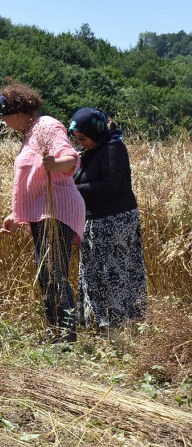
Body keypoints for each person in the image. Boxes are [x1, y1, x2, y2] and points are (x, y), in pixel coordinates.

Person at [0, 80, 86, 344]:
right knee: (46, 272)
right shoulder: (30, 134)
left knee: (52, 270)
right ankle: (56, 332)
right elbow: (31, 180)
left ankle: (67, 336)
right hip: (43, 210)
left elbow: (71, 157)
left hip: (58, 208)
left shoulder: (47, 125)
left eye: (5, 118)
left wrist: (56, 163)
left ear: (17, 112)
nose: (5, 123)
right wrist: (16, 214)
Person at [67, 107, 147, 330]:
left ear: (97, 131)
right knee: (95, 273)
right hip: (96, 222)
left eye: (83, 138)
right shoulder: (91, 151)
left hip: (115, 221)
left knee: (113, 273)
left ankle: (118, 327)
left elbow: (110, 185)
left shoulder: (113, 148)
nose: (80, 142)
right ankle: (99, 324)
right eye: (76, 139)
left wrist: (72, 187)